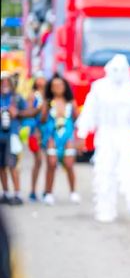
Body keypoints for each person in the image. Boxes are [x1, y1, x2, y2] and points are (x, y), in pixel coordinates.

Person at [76, 54, 130, 222]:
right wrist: (82, 133)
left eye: (121, 70)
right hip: (106, 134)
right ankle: (105, 208)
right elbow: (89, 112)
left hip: (126, 134)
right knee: (104, 172)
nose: (118, 73)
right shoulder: (99, 88)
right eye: (115, 69)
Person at [40, 74, 80, 205]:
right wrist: (46, 107)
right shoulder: (48, 102)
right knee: (51, 164)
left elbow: (78, 120)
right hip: (52, 137)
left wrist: (79, 140)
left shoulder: (71, 103)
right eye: (54, 86)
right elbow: (43, 120)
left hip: (67, 137)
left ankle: (73, 191)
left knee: (69, 165)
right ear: (51, 88)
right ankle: (48, 192)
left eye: (60, 85)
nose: (58, 88)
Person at [0, 72, 30, 206]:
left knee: (12, 165)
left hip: (12, 135)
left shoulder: (16, 98)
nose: (5, 84)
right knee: (1, 167)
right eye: (2, 81)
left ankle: (17, 194)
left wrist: (18, 113)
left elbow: (29, 112)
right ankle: (6, 193)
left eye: (7, 81)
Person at [25, 72, 47, 202]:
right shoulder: (33, 95)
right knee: (38, 161)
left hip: (47, 131)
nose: (41, 80)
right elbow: (29, 111)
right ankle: (33, 191)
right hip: (35, 131)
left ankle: (46, 191)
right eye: (39, 78)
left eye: (43, 78)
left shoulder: (49, 95)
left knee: (50, 162)